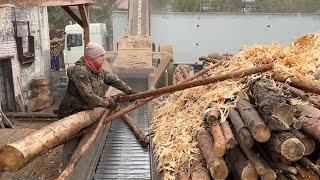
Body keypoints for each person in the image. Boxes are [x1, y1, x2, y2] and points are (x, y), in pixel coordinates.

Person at [57, 42, 135, 167]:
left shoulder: (98, 71)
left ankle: (81, 164)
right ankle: (67, 170)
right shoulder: (80, 72)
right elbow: (89, 97)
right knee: (72, 144)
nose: (104, 58)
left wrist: (129, 91)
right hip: (72, 114)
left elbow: (114, 80)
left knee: (85, 140)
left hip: (87, 111)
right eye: (101, 56)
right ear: (91, 58)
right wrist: (107, 103)